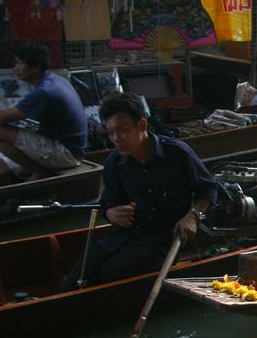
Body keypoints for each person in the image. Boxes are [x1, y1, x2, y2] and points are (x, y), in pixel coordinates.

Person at [62, 93, 217, 291]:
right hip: (125, 236)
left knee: (111, 272)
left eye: (122, 130)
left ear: (142, 125)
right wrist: (112, 213)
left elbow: (208, 188)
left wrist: (192, 216)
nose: (116, 139)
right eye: (110, 133)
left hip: (165, 238)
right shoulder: (114, 162)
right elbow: (108, 202)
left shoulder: (177, 153)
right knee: (76, 279)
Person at [0, 42, 87, 185]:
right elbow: (34, 123)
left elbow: (3, 118)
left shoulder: (44, 92)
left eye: (20, 64)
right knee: (1, 166)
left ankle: (38, 172)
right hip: (62, 144)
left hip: (66, 152)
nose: (16, 68)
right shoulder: (53, 79)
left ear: (36, 67)